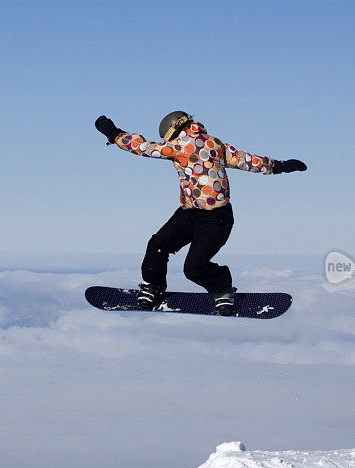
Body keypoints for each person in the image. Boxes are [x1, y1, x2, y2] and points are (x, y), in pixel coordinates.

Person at [94, 111, 306, 316]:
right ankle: (158, 287)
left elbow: (142, 147)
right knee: (168, 251)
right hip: (195, 214)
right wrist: (278, 166)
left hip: (213, 220)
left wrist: (114, 134)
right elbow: (246, 160)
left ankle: (216, 288)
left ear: (172, 130)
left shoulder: (178, 145)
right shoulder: (216, 144)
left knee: (167, 252)